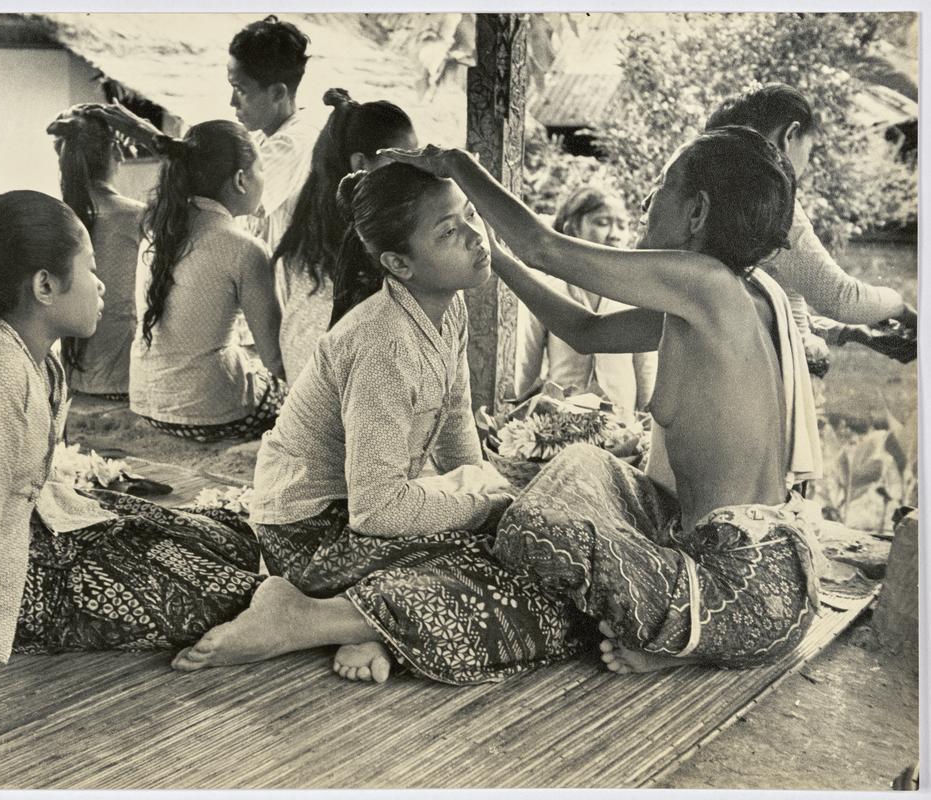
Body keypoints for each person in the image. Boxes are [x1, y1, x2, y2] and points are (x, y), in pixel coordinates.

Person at [381, 126, 825, 674]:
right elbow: (585, 330)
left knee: (532, 528)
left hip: (742, 596)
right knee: (586, 467)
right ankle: (669, 638)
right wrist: (495, 260)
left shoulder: (706, 283)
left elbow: (543, 245)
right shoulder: (738, 295)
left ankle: (676, 641)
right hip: (765, 579)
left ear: (697, 213)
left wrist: (454, 163)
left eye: (660, 189)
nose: (643, 203)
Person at [0, 186, 263, 744]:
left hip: (48, 526)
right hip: (26, 584)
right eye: (88, 268)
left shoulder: (23, 351)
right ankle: (292, 616)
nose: (101, 283)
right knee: (226, 593)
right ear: (44, 285)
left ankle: (276, 596)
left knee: (226, 537)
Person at [170, 163, 583, 685]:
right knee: (517, 581)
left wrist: (490, 492)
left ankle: (360, 621)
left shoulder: (446, 309)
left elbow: (457, 430)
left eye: (471, 215)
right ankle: (299, 615)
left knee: (522, 544)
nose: (477, 237)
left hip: (362, 515)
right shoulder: (383, 344)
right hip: (310, 531)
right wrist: (488, 506)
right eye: (449, 231)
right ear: (398, 264)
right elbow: (377, 511)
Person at [705, 84, 917, 369]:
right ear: (789, 135)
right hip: (761, 379)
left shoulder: (716, 200)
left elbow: (761, 312)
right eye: (810, 148)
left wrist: (850, 332)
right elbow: (841, 298)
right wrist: (901, 307)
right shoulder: (771, 201)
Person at [105, 114, 285, 442]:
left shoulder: (158, 230)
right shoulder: (244, 249)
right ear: (241, 180)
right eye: (261, 170)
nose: (264, 180)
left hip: (146, 401)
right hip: (211, 412)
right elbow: (277, 359)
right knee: (285, 394)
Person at [272, 88, 417, 383]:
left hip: (301, 408)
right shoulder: (378, 241)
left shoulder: (301, 240)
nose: (418, 171)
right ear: (361, 165)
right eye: (407, 160)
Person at [513, 185, 658, 412]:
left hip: (621, 426)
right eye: (602, 223)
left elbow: (646, 368)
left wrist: (644, 419)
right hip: (563, 422)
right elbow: (527, 363)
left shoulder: (637, 293)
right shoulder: (547, 288)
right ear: (572, 229)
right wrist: (522, 408)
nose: (615, 234)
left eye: (622, 225)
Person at [47, 105, 145, 399]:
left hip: (71, 376)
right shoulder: (138, 217)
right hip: (124, 379)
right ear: (116, 152)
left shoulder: (53, 218)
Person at [228, 16, 319, 283]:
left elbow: (236, 196)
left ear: (278, 93)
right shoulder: (261, 138)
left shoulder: (296, 141)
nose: (232, 101)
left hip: (287, 297)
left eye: (240, 90)